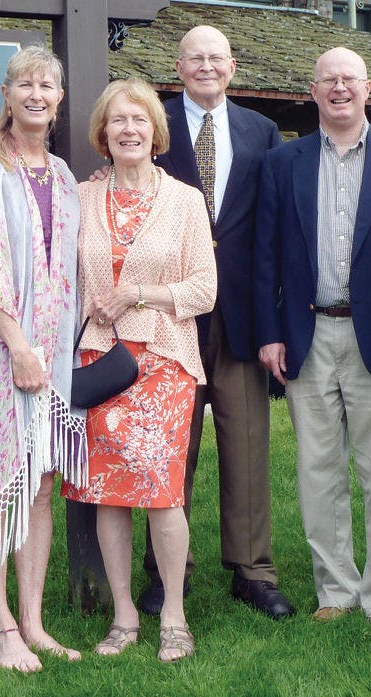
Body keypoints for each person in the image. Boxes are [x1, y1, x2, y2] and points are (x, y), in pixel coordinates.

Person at [254, 47, 371, 629]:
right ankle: (335, 591)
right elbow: (266, 256)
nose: (338, 88)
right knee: (318, 471)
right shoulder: (285, 162)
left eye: (348, 80)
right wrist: (271, 332)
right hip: (309, 333)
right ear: (313, 90)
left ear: (367, 87)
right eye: (328, 79)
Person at [135, 24, 294, 620]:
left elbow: (276, 222)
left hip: (243, 314)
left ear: (232, 67)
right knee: (171, 447)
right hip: (173, 314)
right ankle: (162, 572)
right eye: (195, 58)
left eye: (217, 58)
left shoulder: (262, 131)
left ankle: (252, 570)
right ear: (178, 66)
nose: (206, 67)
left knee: (248, 444)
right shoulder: (154, 125)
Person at [61, 78, 216, 662]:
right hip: (101, 364)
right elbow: (61, 281)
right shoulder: (80, 198)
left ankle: (173, 613)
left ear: (156, 132)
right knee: (107, 493)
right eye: (119, 120)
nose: (129, 129)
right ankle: (124, 616)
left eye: (140, 120)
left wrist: (137, 294)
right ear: (103, 133)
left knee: (162, 493)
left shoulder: (184, 201)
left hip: (165, 362)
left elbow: (205, 288)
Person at [0, 46, 85, 673]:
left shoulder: (59, 173)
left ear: (59, 99)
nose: (36, 93)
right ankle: (3, 627)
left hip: (49, 357)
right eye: (24, 84)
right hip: (0, 354)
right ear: (6, 95)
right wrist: (18, 346)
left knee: (42, 485)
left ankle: (34, 621)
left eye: (47, 85)